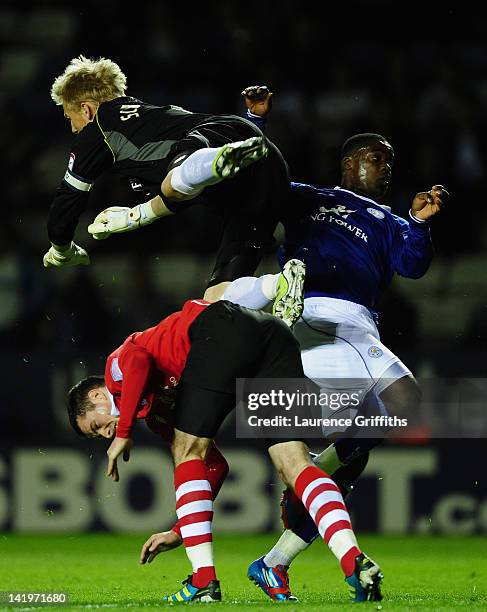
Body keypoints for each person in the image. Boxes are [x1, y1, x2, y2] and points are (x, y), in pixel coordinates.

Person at [212, 86, 448, 601]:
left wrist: (423, 226)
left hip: (357, 326)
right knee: (401, 404)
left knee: (367, 441)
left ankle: (277, 554)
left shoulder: (391, 222)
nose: (383, 167)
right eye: (373, 158)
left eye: (388, 161)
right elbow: (258, 182)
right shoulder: (312, 197)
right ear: (348, 164)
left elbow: (414, 265)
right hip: (304, 309)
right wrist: (255, 124)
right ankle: (310, 475)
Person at [68, 295, 383, 603]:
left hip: (220, 326)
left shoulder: (115, 372)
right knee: (294, 464)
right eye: (99, 436)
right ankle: (354, 560)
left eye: (96, 426)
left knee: (185, 450)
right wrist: (179, 531)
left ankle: (203, 581)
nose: (105, 434)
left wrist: (123, 431)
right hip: (271, 337)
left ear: (97, 396)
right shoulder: (158, 416)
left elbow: (137, 359)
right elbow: (216, 468)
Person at [43, 56, 289, 301]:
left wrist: (61, 247)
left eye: (69, 117)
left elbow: (67, 200)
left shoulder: (98, 129)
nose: (73, 129)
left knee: (172, 183)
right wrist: (131, 217)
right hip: (260, 173)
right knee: (217, 299)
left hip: (214, 147)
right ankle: (279, 284)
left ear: (85, 109)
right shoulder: (155, 119)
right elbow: (182, 195)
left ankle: (217, 159)